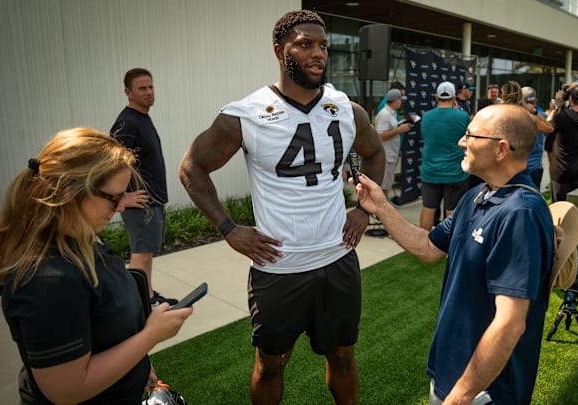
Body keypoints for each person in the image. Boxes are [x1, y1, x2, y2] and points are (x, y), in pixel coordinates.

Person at [178, 10, 385, 404]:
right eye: (305, 44)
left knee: (343, 357)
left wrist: (363, 210)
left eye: (322, 45)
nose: (317, 53)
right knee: (271, 363)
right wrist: (228, 228)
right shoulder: (247, 112)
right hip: (279, 267)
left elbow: (374, 155)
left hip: (337, 259)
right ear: (279, 50)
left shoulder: (345, 108)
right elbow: (192, 167)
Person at [355, 103, 554, 405]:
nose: (462, 142)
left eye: (471, 135)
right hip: (452, 376)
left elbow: (510, 323)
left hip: (485, 392)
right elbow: (428, 247)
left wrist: (463, 394)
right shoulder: (476, 196)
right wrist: (381, 207)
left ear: (501, 149)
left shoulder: (520, 213)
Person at [0, 128, 192, 404]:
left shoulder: (84, 241)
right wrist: (150, 336)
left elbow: (103, 328)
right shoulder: (46, 279)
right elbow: (67, 390)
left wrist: (138, 365)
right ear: (70, 192)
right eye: (114, 197)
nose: (121, 207)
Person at [111, 68, 177, 307]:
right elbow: (112, 163)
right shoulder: (127, 123)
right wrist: (121, 198)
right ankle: (136, 304)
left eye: (151, 87)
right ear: (128, 92)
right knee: (140, 256)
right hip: (140, 204)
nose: (149, 92)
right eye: (142, 88)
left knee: (146, 255)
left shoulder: (142, 118)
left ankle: (147, 297)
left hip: (151, 202)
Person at [418, 81, 471, 230]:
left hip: (431, 171)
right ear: (454, 98)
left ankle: (423, 245)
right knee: (452, 210)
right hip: (455, 172)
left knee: (428, 208)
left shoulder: (427, 117)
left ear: (436, 98)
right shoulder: (463, 116)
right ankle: (449, 246)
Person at [377, 88, 413, 197]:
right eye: (400, 100)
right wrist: (399, 130)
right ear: (396, 101)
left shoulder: (391, 113)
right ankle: (382, 210)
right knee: (384, 185)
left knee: (387, 184)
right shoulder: (385, 115)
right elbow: (380, 136)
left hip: (391, 155)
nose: (401, 103)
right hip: (386, 156)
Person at [521, 86, 554, 188]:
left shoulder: (514, 116)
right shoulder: (541, 116)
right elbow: (550, 127)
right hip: (533, 166)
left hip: (520, 166)